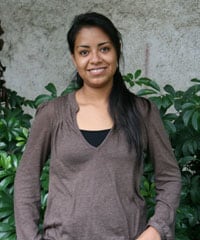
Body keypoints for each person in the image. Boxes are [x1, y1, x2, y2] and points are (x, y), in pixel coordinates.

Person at [14, 12, 181, 240]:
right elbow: (26, 179)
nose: (95, 59)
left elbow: (169, 176)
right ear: (74, 58)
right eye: (84, 52)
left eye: (104, 48)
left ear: (117, 50)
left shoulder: (143, 112)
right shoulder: (52, 114)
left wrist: (156, 229)